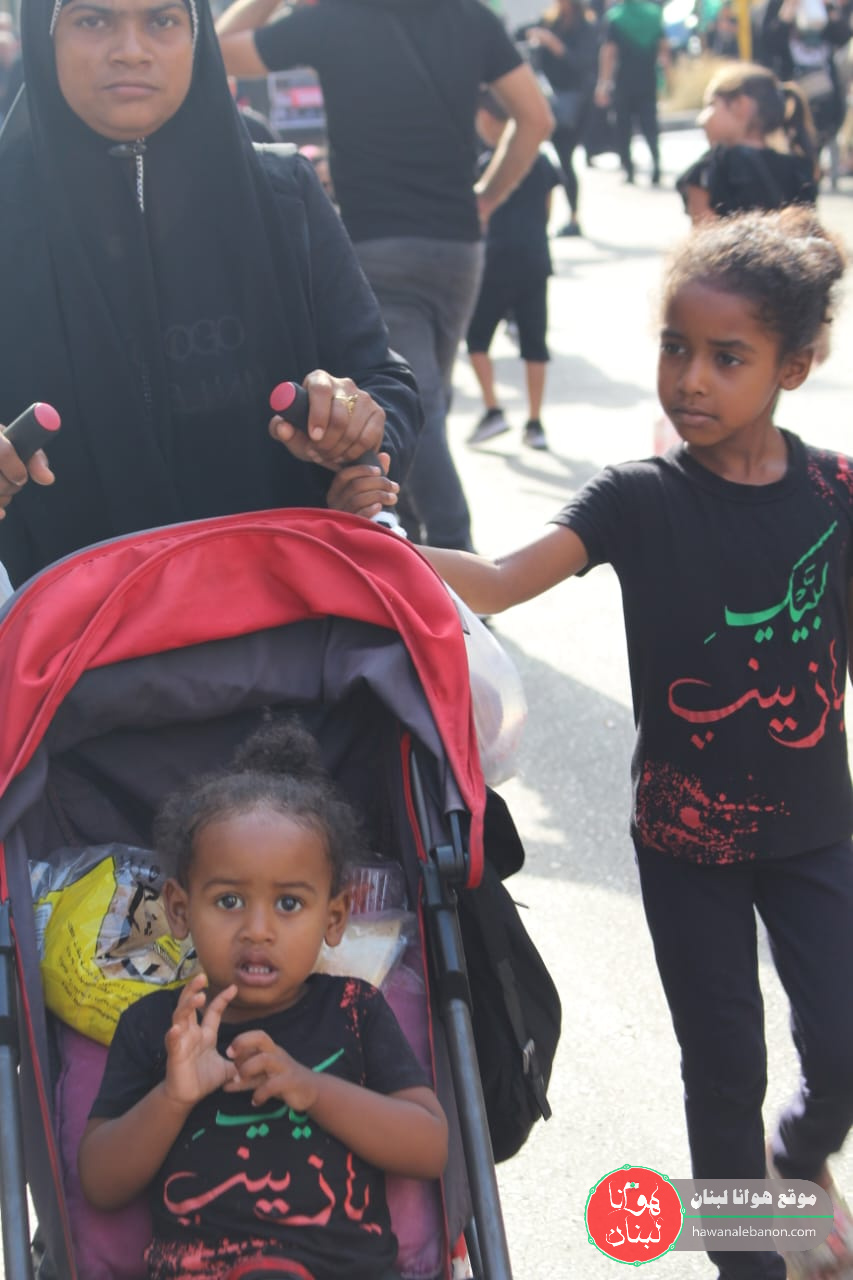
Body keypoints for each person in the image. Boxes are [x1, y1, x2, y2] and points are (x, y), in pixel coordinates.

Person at [420, 207, 853, 1280]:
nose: (689, 379)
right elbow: (499, 582)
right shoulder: (636, 498)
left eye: (725, 357)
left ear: (794, 366)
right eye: (673, 347)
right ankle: (747, 1259)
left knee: (841, 1045)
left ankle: (799, 1152)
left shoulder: (835, 494)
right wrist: (372, 547)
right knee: (722, 1066)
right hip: (683, 843)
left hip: (817, 836)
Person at [0, 0, 421, 591]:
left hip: (285, 608)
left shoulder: (282, 195)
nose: (131, 50)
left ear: (198, 38)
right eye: (93, 21)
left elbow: (383, 379)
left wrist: (358, 429)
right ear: (45, 41)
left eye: (162, 21)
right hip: (64, 620)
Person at [77, 718, 448, 1280]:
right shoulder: (161, 1026)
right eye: (228, 901)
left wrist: (313, 1089)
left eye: (289, 905)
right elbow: (100, 1183)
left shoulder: (354, 1010)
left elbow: (429, 1146)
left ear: (335, 917)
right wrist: (172, 1098)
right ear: (179, 909)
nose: (257, 930)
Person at [216, 0, 554, 551]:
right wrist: (488, 197)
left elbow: (210, 50)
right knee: (422, 400)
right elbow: (536, 118)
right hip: (460, 246)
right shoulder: (471, 18)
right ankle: (413, 542)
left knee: (416, 404)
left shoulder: (334, 21)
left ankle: (455, 552)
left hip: (379, 245)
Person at [465, 91, 560, 451]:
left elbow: (477, 217)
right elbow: (548, 211)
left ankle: (493, 409)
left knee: (476, 339)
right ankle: (535, 422)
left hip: (495, 262)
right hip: (535, 260)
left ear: (488, 118)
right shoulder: (542, 161)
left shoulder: (485, 165)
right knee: (535, 343)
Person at [676, 63, 818, 223]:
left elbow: (703, 232)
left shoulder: (710, 169)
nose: (701, 119)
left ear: (741, 105)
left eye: (711, 104)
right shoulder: (798, 170)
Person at [516, 0, 599, 237]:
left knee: (565, 159)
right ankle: (544, 217)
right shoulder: (549, 20)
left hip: (574, 103)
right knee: (542, 159)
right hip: (547, 99)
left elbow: (582, 63)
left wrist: (555, 45)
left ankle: (573, 216)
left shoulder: (585, 26)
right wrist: (534, 36)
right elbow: (519, 34)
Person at [758, 0, 851, 151]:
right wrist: (786, 15)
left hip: (825, 89)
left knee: (822, 140)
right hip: (794, 88)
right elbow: (768, 43)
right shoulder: (777, 4)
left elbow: (843, 36)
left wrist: (829, 10)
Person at [594, 0, 669, 186]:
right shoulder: (653, 14)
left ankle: (628, 169)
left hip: (623, 81)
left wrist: (603, 83)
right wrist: (666, 76)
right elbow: (664, 47)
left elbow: (609, 52)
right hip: (648, 79)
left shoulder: (616, 17)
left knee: (623, 127)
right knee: (650, 125)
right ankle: (656, 165)